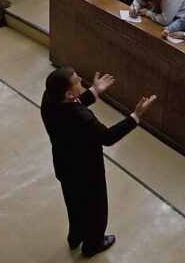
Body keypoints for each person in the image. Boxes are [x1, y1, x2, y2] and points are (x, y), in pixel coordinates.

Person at [41, 67, 157, 257]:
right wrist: (135, 116)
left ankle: (75, 237)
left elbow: (71, 104)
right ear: (69, 93)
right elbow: (108, 137)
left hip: (65, 167)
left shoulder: (49, 100)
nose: (80, 78)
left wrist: (93, 92)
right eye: (76, 81)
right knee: (96, 210)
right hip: (87, 172)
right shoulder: (82, 118)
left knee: (74, 204)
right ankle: (92, 245)